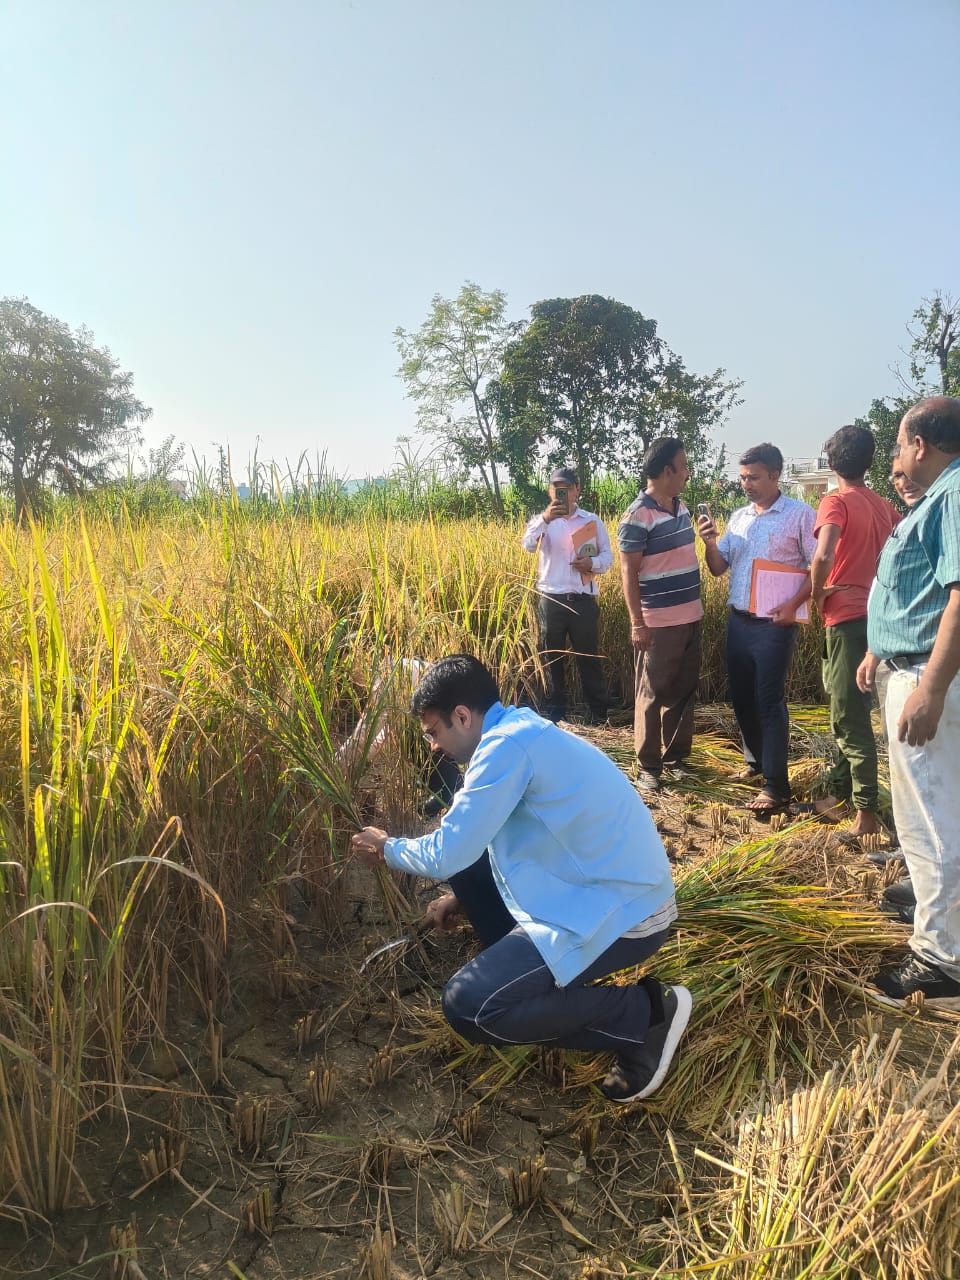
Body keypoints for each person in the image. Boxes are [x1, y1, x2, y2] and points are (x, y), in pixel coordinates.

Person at [351, 654, 691, 1102]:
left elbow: (446, 852)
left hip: (630, 914)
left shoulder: (505, 748)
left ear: (462, 716)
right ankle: (542, 988)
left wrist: (386, 847)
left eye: (433, 732)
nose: (432, 746)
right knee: (469, 864)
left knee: (469, 1005)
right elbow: (501, 840)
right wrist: (464, 898)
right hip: (597, 890)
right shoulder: (517, 731)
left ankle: (645, 1015)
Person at [856, 396, 960, 1008]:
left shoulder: (952, 496)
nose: (897, 456)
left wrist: (931, 688)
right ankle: (937, 915)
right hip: (911, 666)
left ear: (921, 444)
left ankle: (941, 959)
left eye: (899, 444)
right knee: (931, 813)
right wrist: (879, 649)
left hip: (926, 676)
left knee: (931, 820)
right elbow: (917, 594)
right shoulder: (939, 497)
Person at [698, 443, 816, 815]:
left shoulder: (800, 515)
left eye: (753, 477)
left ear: (775, 475)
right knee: (742, 697)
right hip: (739, 620)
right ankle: (756, 763)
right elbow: (718, 568)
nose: (746, 484)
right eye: (743, 478)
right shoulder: (739, 517)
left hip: (774, 625)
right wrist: (710, 542)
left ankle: (777, 787)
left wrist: (794, 605)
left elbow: (819, 567)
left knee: (768, 701)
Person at [808, 426, 900, 841]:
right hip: (878, 619)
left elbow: (824, 552)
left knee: (849, 716)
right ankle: (839, 795)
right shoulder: (884, 506)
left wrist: (817, 592)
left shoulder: (836, 501)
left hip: (845, 618)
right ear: (870, 462)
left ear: (831, 463)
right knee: (854, 706)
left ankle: (865, 814)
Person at [617, 437, 703, 795]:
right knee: (651, 693)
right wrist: (637, 623)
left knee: (683, 691)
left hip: (690, 616)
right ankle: (649, 767)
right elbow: (628, 573)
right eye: (683, 466)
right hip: (657, 623)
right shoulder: (637, 515)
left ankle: (676, 759)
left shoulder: (682, 508)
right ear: (667, 470)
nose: (687, 473)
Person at [521, 466, 613, 724]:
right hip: (551, 600)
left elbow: (608, 557)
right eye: (556, 488)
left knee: (589, 658)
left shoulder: (591, 521)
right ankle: (555, 715)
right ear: (550, 491)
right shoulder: (542, 521)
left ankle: (598, 714)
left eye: (567, 488)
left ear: (577, 489)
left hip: (582, 600)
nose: (561, 493)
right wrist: (545, 519)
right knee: (551, 658)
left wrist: (592, 564)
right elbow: (527, 545)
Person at [337, 654, 462, 816]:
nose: (354, 681)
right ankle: (440, 787)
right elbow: (386, 732)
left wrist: (338, 764)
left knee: (414, 737)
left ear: (359, 665)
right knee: (405, 734)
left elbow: (365, 732)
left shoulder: (385, 677)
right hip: (447, 720)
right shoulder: (393, 669)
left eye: (351, 674)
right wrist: (362, 762)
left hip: (451, 721)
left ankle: (449, 791)